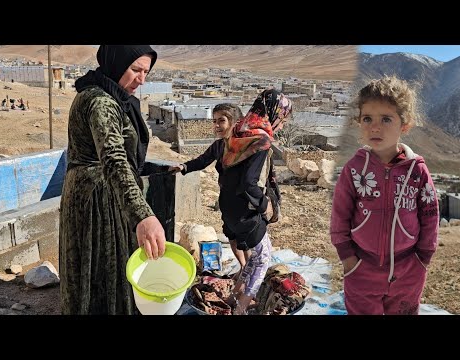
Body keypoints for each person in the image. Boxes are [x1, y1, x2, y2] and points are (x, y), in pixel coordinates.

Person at [59, 45, 166, 315]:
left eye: (146, 72)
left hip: (104, 194)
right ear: (117, 63)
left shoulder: (110, 95)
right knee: (104, 272)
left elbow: (123, 154)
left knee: (104, 272)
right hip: (97, 201)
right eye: (135, 70)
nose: (141, 80)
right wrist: (143, 215)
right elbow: (114, 158)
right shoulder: (101, 102)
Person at [330, 75, 439, 315]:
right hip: (362, 267)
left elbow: (430, 215)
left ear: (405, 125)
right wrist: (349, 259)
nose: (375, 127)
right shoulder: (355, 169)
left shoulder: (417, 170)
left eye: (386, 119)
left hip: (409, 269)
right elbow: (340, 215)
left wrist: (423, 258)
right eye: (367, 118)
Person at [222, 89, 292, 314]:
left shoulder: (240, 131)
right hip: (245, 210)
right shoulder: (261, 139)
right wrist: (265, 205)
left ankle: (235, 295)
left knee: (254, 256)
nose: (281, 124)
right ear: (275, 113)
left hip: (229, 207)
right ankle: (241, 307)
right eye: (282, 118)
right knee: (263, 258)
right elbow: (249, 183)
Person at [169, 104, 252, 278]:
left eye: (221, 121)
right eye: (214, 121)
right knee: (231, 233)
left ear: (236, 122)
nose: (216, 126)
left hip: (245, 199)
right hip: (227, 197)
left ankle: (251, 274)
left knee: (246, 238)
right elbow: (202, 160)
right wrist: (183, 166)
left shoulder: (248, 147)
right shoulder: (219, 146)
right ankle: (244, 268)